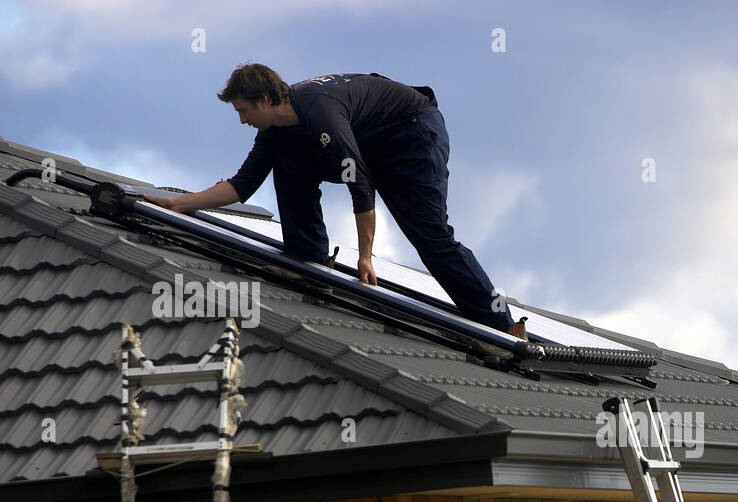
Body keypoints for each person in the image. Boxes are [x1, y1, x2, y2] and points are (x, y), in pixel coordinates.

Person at [148, 63, 524, 339]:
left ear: (264, 100)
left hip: (412, 135)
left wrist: (365, 257)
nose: (242, 120)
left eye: (244, 110)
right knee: (288, 163)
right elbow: (242, 186)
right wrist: (178, 204)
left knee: (431, 238)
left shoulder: (320, 113)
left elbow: (359, 187)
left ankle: (502, 325)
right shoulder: (277, 129)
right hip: (369, 140)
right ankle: (307, 255)